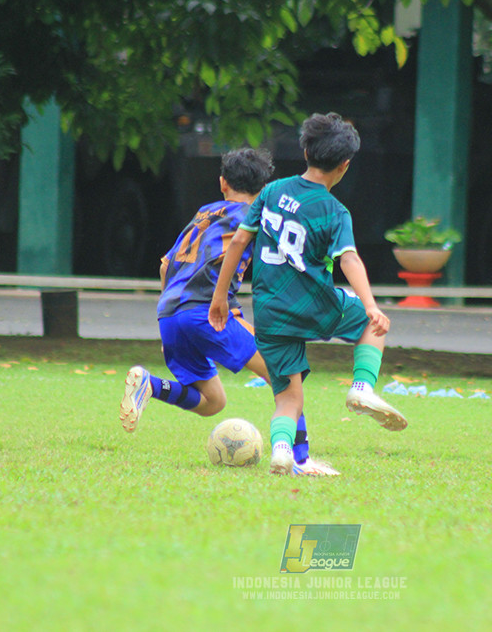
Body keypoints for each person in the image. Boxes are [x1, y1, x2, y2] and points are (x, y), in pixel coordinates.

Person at [208, 112, 408, 476]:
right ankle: (361, 387)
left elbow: (238, 240)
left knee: (288, 398)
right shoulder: (334, 211)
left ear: (304, 151)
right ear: (344, 166)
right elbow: (348, 259)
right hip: (313, 304)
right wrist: (371, 305)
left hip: (269, 312)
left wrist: (220, 297)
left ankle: (284, 453)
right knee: (370, 325)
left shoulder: (271, 191)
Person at [119, 147, 338, 475]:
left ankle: (149, 385)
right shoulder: (257, 217)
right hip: (208, 312)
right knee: (284, 373)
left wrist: (170, 321)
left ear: (223, 183)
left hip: (170, 314)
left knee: (213, 402)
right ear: (263, 190)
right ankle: (300, 460)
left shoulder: (204, 213)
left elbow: (166, 266)